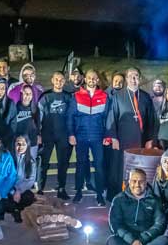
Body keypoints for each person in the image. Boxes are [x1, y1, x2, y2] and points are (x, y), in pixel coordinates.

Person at [106, 67, 157, 200]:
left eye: (136, 76)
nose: (134, 79)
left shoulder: (145, 97)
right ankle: (117, 196)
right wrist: (113, 137)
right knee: (119, 169)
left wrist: (151, 139)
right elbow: (112, 117)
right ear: (127, 79)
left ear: (139, 79)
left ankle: (139, 194)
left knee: (139, 168)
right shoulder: (118, 96)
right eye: (131, 77)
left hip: (141, 139)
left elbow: (151, 119)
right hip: (123, 139)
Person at [107, 168, 168, 245]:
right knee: (111, 241)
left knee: (165, 240)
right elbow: (115, 225)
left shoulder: (154, 200)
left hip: (147, 242)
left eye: (141, 181)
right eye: (134, 181)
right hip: (127, 241)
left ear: (146, 183)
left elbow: (160, 224)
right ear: (129, 182)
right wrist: (132, 240)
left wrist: (142, 239)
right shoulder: (119, 199)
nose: (137, 185)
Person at [67, 69, 108, 205]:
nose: (91, 80)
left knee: (99, 166)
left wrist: (107, 135)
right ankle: (79, 192)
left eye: (94, 78)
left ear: (97, 80)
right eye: (89, 78)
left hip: (97, 136)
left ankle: (100, 194)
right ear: (85, 79)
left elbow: (108, 118)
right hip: (81, 136)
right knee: (80, 165)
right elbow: (70, 117)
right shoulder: (77, 96)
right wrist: (71, 134)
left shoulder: (104, 96)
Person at [38, 72, 74, 200]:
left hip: (63, 135)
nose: (59, 82)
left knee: (63, 163)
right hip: (47, 134)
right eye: (56, 79)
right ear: (52, 80)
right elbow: (38, 116)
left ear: (64, 82)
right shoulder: (46, 96)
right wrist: (38, 133)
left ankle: (61, 188)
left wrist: (72, 134)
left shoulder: (68, 97)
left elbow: (72, 116)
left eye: (61, 80)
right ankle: (40, 188)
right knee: (43, 162)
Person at [6, 135, 38, 222]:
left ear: (27, 145)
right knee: (3, 199)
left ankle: (17, 209)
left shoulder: (31, 161)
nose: (20, 147)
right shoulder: (8, 159)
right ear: (14, 145)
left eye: (23, 144)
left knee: (29, 197)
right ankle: (15, 209)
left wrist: (19, 191)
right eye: (18, 144)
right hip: (9, 189)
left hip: (22, 190)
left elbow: (31, 180)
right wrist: (13, 191)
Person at [8, 85, 41, 158]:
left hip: (32, 141)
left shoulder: (35, 109)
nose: (27, 96)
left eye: (30, 94)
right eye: (25, 93)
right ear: (21, 94)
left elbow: (38, 124)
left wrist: (38, 135)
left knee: (31, 164)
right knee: (18, 163)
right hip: (18, 141)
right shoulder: (15, 107)